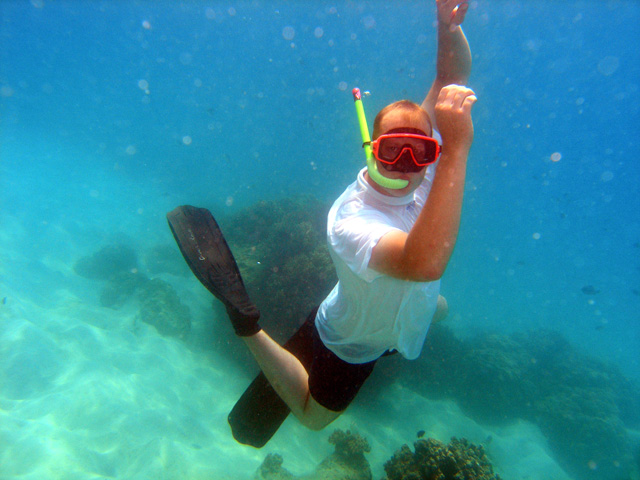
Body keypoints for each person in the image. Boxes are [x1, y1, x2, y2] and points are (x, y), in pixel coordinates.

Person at [168, 0, 475, 438]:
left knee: (436, 307)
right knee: (313, 418)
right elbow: (422, 263)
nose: (406, 163)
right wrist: (456, 152)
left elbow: (450, 78)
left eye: (420, 150)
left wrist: (447, 25)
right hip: (351, 341)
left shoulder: (426, 175)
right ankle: (246, 325)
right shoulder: (350, 218)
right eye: (392, 150)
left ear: (431, 152)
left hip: (389, 314)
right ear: (371, 148)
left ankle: (415, 312)